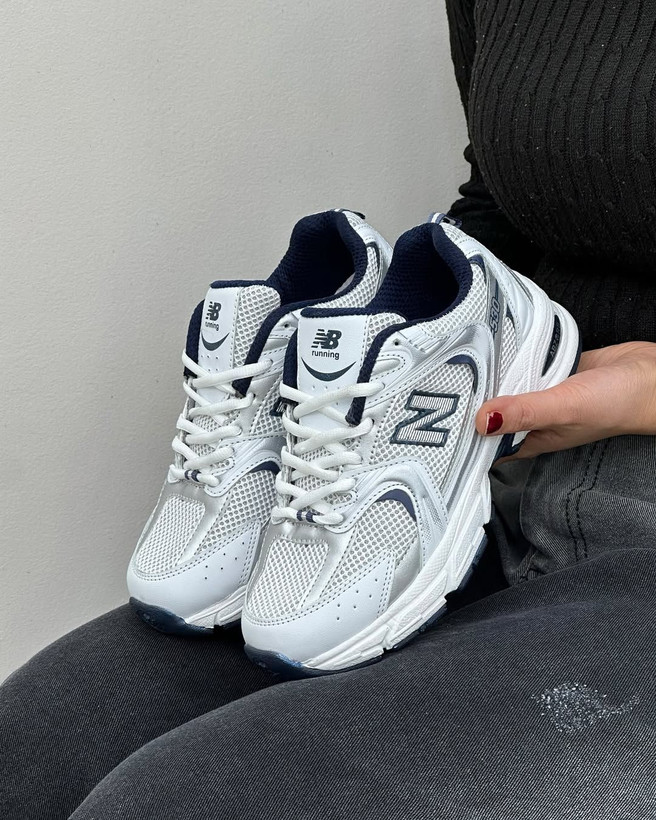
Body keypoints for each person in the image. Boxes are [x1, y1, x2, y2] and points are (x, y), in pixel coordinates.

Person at [3, 1, 656, 816]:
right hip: (494, 478)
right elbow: (498, 203)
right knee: (30, 753)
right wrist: (393, 331)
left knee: (182, 804)